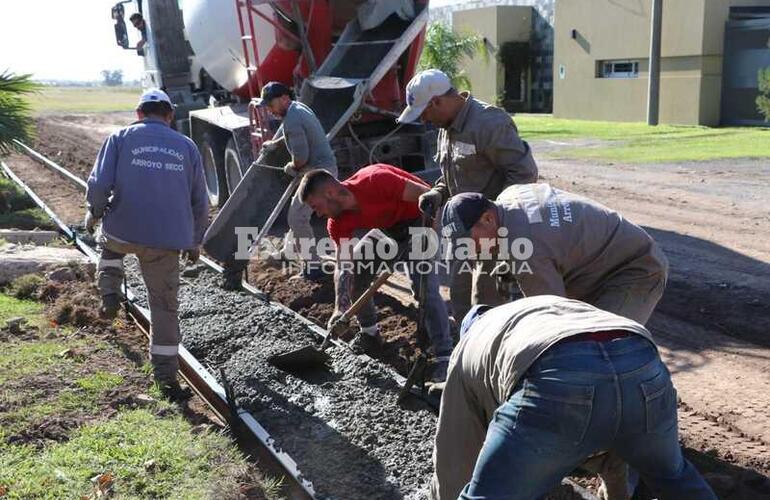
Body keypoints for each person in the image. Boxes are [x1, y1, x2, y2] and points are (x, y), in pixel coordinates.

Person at [432, 297, 717, 500]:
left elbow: (456, 450)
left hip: (558, 374)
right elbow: (613, 423)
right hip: (642, 360)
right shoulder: (548, 307)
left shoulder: (469, 347)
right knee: (674, 478)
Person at [85, 88, 208, 398]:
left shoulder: (120, 138)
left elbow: (99, 184)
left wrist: (94, 213)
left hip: (123, 231)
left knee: (110, 244)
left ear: (139, 114)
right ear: (169, 116)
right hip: (166, 242)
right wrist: (195, 242)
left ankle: (109, 291)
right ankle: (166, 379)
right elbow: (200, 201)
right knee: (164, 308)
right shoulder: (187, 146)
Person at [397, 69, 539, 322]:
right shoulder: (446, 127)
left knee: (484, 303)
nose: (425, 120)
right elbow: (454, 175)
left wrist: (492, 219)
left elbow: (524, 174)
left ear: (437, 101)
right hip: (462, 232)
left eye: (425, 113)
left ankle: (488, 355)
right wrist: (437, 193)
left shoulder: (489, 123)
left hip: (491, 232)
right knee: (461, 299)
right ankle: (464, 348)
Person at [298, 165, 453, 382]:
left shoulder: (375, 180)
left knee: (423, 288)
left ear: (330, 193)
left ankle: (445, 355)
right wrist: (339, 309)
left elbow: (429, 198)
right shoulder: (337, 222)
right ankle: (370, 333)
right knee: (356, 272)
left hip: (421, 223)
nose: (318, 213)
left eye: (316, 206)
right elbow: (344, 266)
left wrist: (427, 234)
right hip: (388, 230)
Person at [441, 183, 668, 325]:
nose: (470, 249)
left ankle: (655, 396)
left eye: (469, 240)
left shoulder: (526, 249)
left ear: (488, 219)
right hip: (597, 265)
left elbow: (553, 318)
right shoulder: (509, 197)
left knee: (601, 349)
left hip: (634, 269)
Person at [260, 81, 338, 280]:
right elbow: (294, 133)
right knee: (297, 213)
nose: (269, 110)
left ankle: (313, 267)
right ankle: (288, 252)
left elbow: (301, 157)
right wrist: (275, 143)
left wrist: (292, 167)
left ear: (285, 98)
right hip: (322, 171)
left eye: (271, 104)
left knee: (297, 217)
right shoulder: (298, 109)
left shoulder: (292, 119)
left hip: (319, 176)